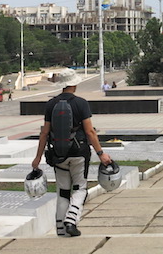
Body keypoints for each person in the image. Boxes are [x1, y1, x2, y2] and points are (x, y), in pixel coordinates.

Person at [31, 68, 112, 237]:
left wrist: (37, 157)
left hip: (58, 155)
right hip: (79, 153)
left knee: (63, 191)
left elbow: (44, 132)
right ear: (74, 84)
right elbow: (90, 132)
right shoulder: (81, 103)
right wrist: (101, 153)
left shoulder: (51, 104)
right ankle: (71, 220)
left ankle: (60, 229)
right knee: (80, 189)